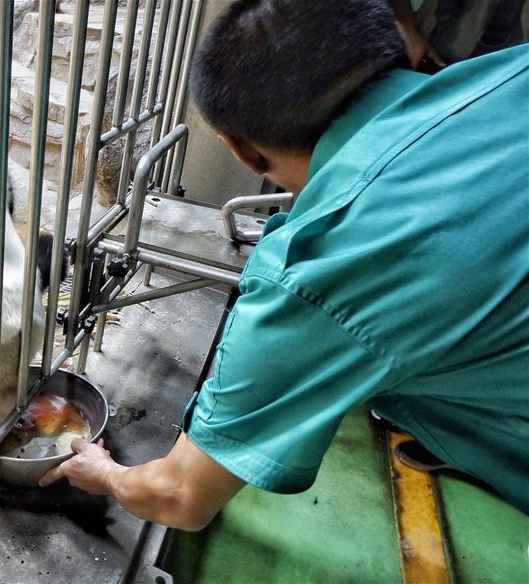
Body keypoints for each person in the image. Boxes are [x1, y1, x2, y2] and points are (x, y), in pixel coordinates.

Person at [39, 0, 529, 527]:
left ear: (241, 150)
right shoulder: (510, 70)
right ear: (404, 48)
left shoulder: (321, 267)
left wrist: (105, 471)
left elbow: (178, 495)